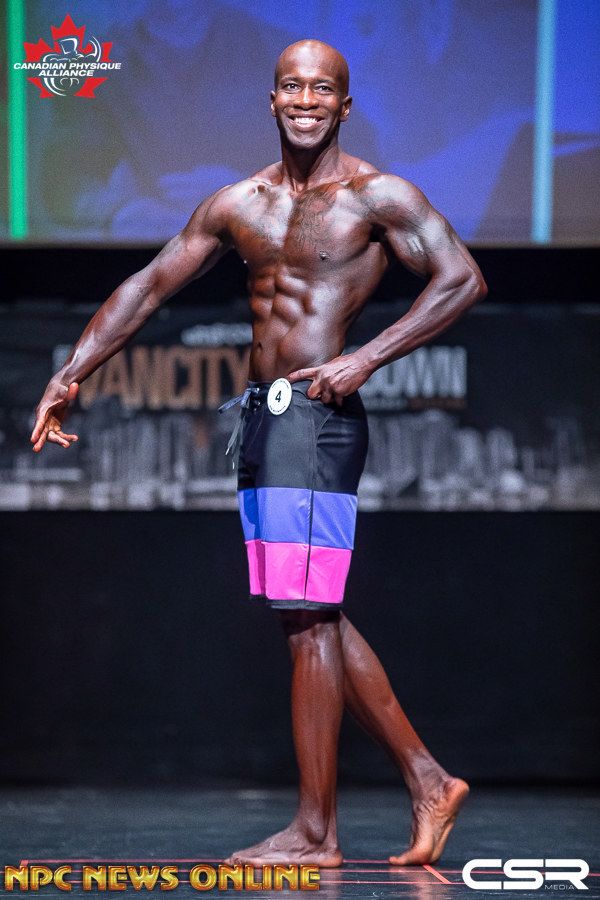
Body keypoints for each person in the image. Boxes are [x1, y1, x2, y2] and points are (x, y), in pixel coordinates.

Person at [31, 39, 487, 867]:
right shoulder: (238, 202)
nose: (306, 100)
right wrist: (71, 373)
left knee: (307, 618)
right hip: (265, 419)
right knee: (307, 609)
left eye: (322, 89)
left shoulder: (377, 195)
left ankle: (315, 833)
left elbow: (461, 279)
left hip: (318, 418)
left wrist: (365, 358)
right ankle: (428, 780)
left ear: (344, 105)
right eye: (292, 87)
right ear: (272, 99)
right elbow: (149, 284)